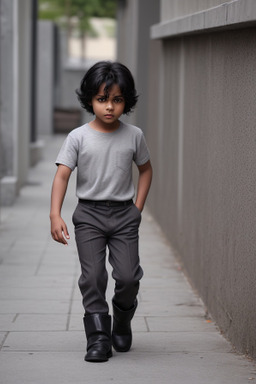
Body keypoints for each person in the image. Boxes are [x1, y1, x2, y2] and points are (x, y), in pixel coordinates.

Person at [50, 61, 152, 363]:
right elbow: (62, 175)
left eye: (117, 100)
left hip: (124, 216)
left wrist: (137, 209)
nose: (109, 107)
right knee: (93, 277)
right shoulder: (78, 137)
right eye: (102, 99)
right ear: (90, 99)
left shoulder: (134, 135)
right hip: (89, 217)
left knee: (128, 276)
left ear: (126, 101)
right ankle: (97, 339)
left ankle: (121, 321)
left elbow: (146, 171)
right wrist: (55, 214)